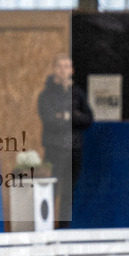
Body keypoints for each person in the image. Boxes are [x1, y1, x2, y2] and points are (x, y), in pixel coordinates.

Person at [37, 53, 93, 228]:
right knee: (51, 190)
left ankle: (64, 229)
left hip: (74, 148)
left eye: (67, 66)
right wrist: (71, 116)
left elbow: (88, 119)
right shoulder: (46, 95)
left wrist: (67, 116)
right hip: (55, 149)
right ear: (54, 70)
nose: (63, 70)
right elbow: (50, 120)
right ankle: (46, 228)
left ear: (72, 70)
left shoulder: (77, 94)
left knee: (69, 192)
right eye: (60, 66)